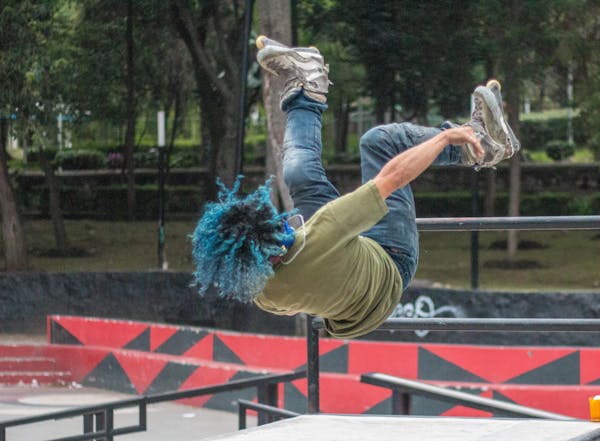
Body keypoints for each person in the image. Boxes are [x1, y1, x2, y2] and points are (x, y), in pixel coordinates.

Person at [192, 36, 520, 339]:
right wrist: (445, 137)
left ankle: (308, 84)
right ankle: (480, 142)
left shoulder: (262, 293)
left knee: (299, 175)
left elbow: (293, 304)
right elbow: (392, 177)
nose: (285, 227)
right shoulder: (324, 232)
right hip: (393, 262)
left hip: (354, 314)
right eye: (279, 236)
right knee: (378, 143)